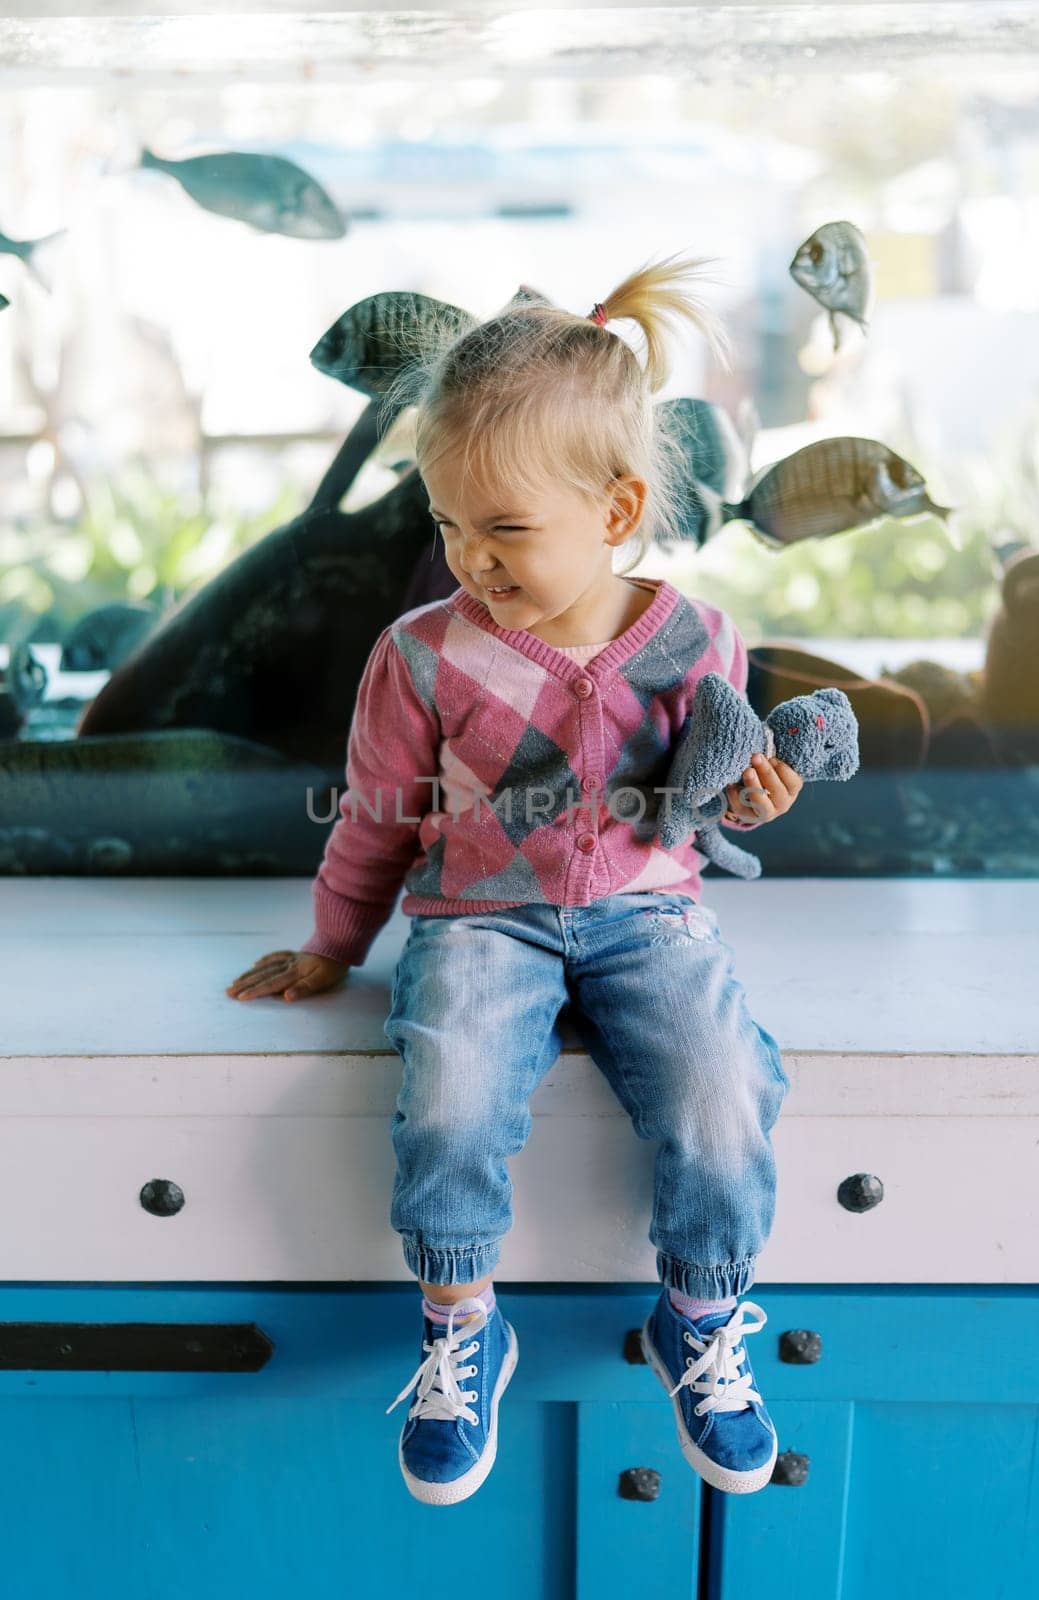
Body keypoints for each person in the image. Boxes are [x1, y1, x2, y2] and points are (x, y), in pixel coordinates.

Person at [226, 251, 804, 1506]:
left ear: (614, 509)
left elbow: (710, 783)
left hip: (652, 912)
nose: (469, 559)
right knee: (447, 1091)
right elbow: (378, 814)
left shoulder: (701, 640)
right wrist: (334, 941)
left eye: (504, 528)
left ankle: (697, 1318)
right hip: (482, 917)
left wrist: (761, 790)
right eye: (446, 524)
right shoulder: (421, 656)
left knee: (723, 1088)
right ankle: (461, 1325)